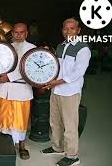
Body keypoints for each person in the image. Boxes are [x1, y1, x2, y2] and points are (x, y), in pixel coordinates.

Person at [41, 18, 91, 166]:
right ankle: (57, 146)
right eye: (65, 29)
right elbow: (55, 67)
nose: (68, 31)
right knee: (54, 121)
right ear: (62, 30)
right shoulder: (61, 46)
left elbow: (78, 72)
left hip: (70, 92)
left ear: (78, 30)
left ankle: (72, 156)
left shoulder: (83, 49)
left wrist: (57, 82)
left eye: (72, 28)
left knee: (70, 125)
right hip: (56, 90)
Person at [0, 23, 36, 160]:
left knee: (21, 120)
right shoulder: (7, 48)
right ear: (12, 33)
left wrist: (9, 76)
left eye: (21, 32)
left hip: (22, 90)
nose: (18, 35)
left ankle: (21, 146)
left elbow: (28, 69)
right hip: (6, 89)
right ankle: (6, 145)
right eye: (16, 32)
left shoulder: (32, 49)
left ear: (26, 33)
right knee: (5, 118)